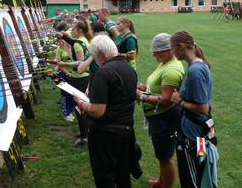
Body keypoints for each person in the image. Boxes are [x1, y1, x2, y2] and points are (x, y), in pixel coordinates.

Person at [73, 34, 138, 188]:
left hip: (105, 134)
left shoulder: (103, 73)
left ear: (100, 54)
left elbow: (97, 111)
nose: (95, 59)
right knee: (122, 173)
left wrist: (81, 102)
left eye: (94, 56)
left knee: (105, 176)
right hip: (125, 129)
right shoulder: (128, 68)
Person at [136, 33, 184, 188]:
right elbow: (159, 88)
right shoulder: (165, 63)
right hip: (159, 118)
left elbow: (165, 99)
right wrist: (145, 88)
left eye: (156, 51)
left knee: (166, 157)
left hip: (164, 119)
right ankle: (161, 181)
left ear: (168, 50)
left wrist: (142, 97)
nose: (153, 54)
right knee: (162, 155)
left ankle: (166, 186)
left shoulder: (171, 69)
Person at [170, 30, 217, 188]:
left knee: (191, 179)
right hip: (200, 135)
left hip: (193, 137)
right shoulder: (198, 65)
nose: (172, 52)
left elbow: (203, 108)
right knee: (200, 171)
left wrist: (179, 101)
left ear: (181, 46)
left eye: (173, 48)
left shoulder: (195, 71)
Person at [58, 20, 92, 146]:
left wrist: (64, 64)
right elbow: (71, 41)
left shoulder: (78, 44)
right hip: (84, 77)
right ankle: (85, 132)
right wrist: (63, 36)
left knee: (79, 107)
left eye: (73, 29)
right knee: (82, 105)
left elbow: (80, 63)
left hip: (80, 78)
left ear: (79, 31)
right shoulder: (83, 41)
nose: (71, 31)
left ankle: (85, 137)